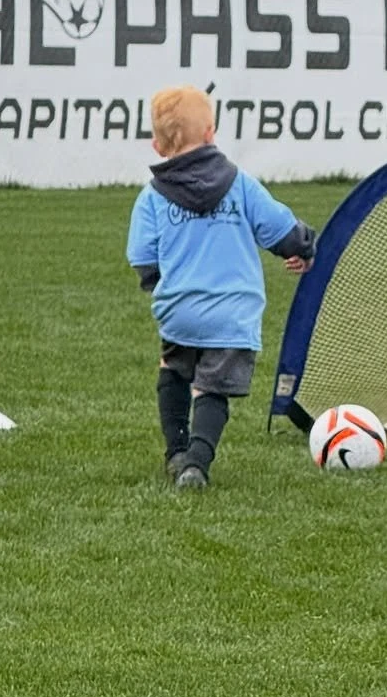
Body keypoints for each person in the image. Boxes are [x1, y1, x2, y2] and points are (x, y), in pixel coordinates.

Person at [127, 86, 316, 490]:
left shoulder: (152, 197)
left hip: (179, 310)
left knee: (174, 369)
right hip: (233, 313)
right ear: (211, 132)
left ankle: (175, 452)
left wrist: (167, 287)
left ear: (157, 145)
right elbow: (279, 227)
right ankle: (197, 460)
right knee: (212, 387)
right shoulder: (240, 185)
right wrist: (301, 247)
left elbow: (143, 258)